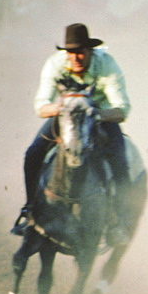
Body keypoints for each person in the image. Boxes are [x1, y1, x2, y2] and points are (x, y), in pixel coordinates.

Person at [11, 24, 133, 245]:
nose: (75, 57)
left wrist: (92, 113)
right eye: (70, 52)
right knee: (33, 153)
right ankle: (29, 210)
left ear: (90, 51)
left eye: (80, 52)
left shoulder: (107, 65)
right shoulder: (54, 65)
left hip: (100, 116)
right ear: (64, 52)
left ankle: (118, 221)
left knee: (120, 161)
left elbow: (122, 110)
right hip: (65, 115)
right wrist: (67, 107)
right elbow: (41, 107)